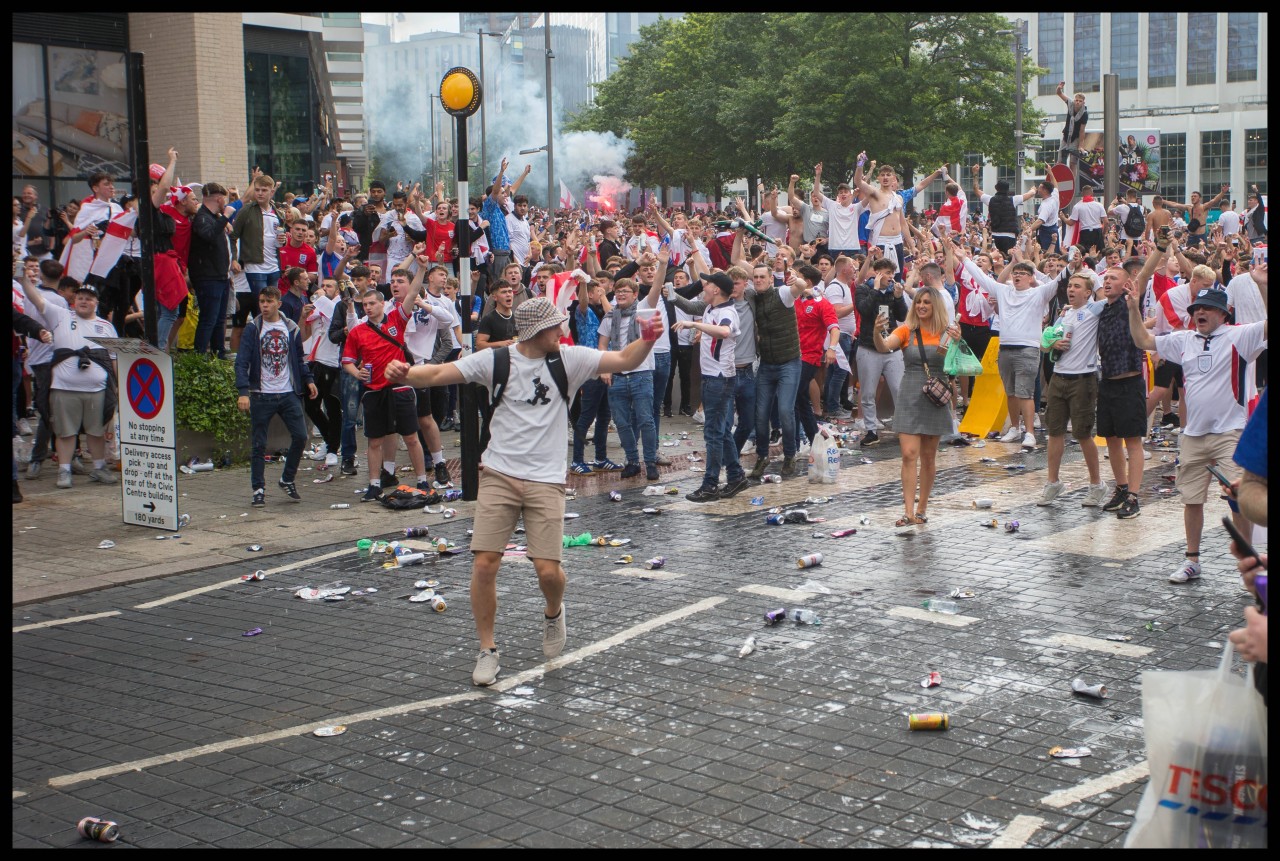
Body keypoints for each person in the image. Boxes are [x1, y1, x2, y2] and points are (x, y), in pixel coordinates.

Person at [386, 297, 663, 686]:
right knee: (484, 563)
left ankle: (554, 611)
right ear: (536, 331)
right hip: (499, 472)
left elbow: (624, 360)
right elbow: (437, 374)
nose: (563, 332)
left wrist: (648, 339)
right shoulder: (496, 362)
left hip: (546, 478)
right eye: (556, 327)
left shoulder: (570, 359)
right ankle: (487, 649)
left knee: (548, 571)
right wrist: (405, 373)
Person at [1126, 279, 1267, 583]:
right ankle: (1192, 560)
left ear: (1223, 313)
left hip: (1231, 432)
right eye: (1196, 308)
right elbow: (1142, 340)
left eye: (1207, 308)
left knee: (1239, 499)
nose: (1199, 312)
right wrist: (1133, 307)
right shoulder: (1184, 339)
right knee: (1192, 499)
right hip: (1193, 435)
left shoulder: (1240, 336)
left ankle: (1248, 559)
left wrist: (1264, 286)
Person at [340, 250, 431, 501]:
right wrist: (355, 372)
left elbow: (412, 294)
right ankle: (374, 484)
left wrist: (421, 269)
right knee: (374, 441)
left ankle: (423, 481)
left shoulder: (397, 318)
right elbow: (346, 360)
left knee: (411, 436)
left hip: (401, 387)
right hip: (374, 391)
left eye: (372, 304)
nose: (368, 308)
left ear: (382, 303)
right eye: (365, 305)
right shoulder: (357, 331)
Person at [17, 275, 118, 489]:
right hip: (64, 388)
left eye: (89, 299)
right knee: (65, 432)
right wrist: (24, 281)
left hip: (97, 389)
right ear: (74, 301)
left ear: (96, 303)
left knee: (96, 431)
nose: (83, 301)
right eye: (80, 297)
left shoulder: (106, 327)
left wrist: (116, 388)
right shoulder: (61, 316)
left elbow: (113, 360)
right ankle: (64, 470)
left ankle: (99, 468)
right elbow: (38, 300)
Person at [872, 285, 961, 526]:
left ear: (936, 306)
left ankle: (922, 508)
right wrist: (876, 332)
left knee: (929, 457)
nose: (921, 306)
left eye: (927, 302)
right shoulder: (906, 331)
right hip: (910, 393)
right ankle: (908, 511)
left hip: (936, 396)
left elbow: (958, 365)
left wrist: (957, 342)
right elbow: (884, 346)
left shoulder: (948, 331)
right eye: (918, 302)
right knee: (908, 454)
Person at [959, 247, 1059, 450]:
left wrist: (1073, 265)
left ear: (1031, 278)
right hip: (1005, 348)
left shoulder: (1039, 293)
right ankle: (1015, 427)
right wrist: (964, 259)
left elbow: (1058, 282)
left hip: (1028, 349)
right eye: (1015, 273)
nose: (1017, 276)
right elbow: (981, 278)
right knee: (1010, 392)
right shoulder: (1003, 291)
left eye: (1022, 274)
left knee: (1025, 392)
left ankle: (1029, 432)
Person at [234, 285, 318, 506]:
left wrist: (308, 379)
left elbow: (299, 358)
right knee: (259, 444)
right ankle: (258, 489)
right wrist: (243, 392)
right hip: (261, 394)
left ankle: (287, 479)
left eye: (269, 302)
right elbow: (242, 361)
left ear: (278, 304)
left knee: (300, 436)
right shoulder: (254, 328)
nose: (264, 305)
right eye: (262, 301)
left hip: (288, 392)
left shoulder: (290, 327)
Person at [1038, 271, 1107, 507]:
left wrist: (1089, 271)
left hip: (1083, 379)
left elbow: (1112, 296)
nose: (1071, 289)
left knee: (1083, 433)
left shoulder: (1094, 310)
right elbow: (1045, 345)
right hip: (1059, 376)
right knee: (1054, 432)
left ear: (1088, 292)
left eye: (1077, 286)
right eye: (1070, 286)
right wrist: (1053, 343)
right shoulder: (1064, 315)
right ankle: (1053, 482)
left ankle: (1097, 484)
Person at [597, 278, 661, 481]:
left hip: (641, 374)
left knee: (645, 420)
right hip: (617, 375)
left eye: (625, 291)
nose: (620, 295)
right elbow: (602, 344)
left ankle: (650, 462)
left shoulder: (644, 312)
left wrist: (660, 263)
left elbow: (657, 286)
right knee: (622, 423)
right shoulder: (609, 317)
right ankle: (632, 461)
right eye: (617, 291)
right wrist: (604, 367)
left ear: (635, 294)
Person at [854, 255, 908, 445]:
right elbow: (864, 310)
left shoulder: (894, 290)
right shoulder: (863, 289)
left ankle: (904, 428)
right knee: (868, 392)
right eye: (887, 273)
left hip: (892, 347)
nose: (890, 277)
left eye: (892, 273)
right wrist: (876, 290)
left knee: (899, 389)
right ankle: (871, 430)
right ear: (877, 274)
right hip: (869, 347)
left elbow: (903, 315)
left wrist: (899, 298)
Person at [188, 182, 232, 357]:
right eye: (224, 200)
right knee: (209, 319)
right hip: (208, 276)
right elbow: (208, 234)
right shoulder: (202, 217)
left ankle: (218, 353)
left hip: (221, 275)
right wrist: (225, 218)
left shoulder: (214, 217)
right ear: (219, 198)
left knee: (220, 319)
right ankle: (199, 356)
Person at [1055, 83, 1088, 174]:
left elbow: (1082, 131)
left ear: (1083, 103)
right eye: (1076, 100)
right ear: (1074, 100)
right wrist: (1059, 88)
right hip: (1066, 137)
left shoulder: (1084, 114)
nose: (1077, 102)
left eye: (1080, 101)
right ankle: (1060, 178)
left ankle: (1072, 182)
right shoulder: (1070, 103)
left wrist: (1080, 146)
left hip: (1075, 139)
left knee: (1073, 163)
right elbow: (1059, 93)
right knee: (1060, 161)